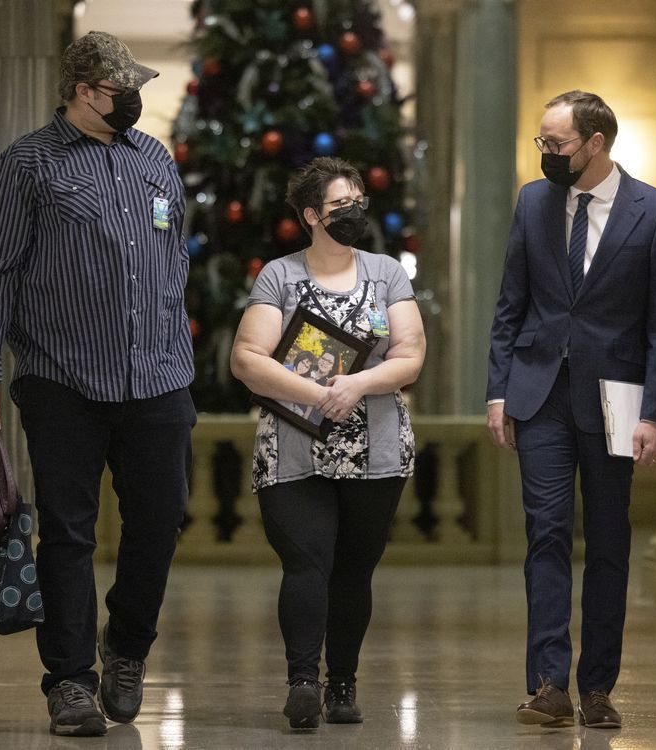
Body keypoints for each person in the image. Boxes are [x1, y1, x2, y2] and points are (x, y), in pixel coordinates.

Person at [0, 31, 196, 737]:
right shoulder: (28, 163)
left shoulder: (155, 158)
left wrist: (168, 327)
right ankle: (68, 680)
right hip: (62, 377)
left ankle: (126, 646)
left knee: (160, 521)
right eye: (119, 89)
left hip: (158, 377)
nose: (133, 100)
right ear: (81, 90)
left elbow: (175, 251)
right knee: (66, 533)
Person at [485, 91, 656, 730]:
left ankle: (597, 686)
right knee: (544, 534)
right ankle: (548, 684)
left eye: (555, 144)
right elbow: (510, 305)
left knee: (608, 542)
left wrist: (655, 413)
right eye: (541, 142)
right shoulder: (532, 201)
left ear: (594, 143)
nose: (544, 153)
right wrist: (498, 392)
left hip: (617, 402)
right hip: (539, 394)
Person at [230, 157, 425, 730]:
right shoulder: (280, 276)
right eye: (341, 206)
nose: (355, 212)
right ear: (312, 215)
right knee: (306, 563)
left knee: (354, 571)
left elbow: (410, 355)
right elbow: (246, 358)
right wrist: (319, 397)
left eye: (359, 200)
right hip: (294, 446)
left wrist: (359, 384)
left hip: (376, 450)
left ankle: (342, 683)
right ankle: (301, 684)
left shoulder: (387, 272)